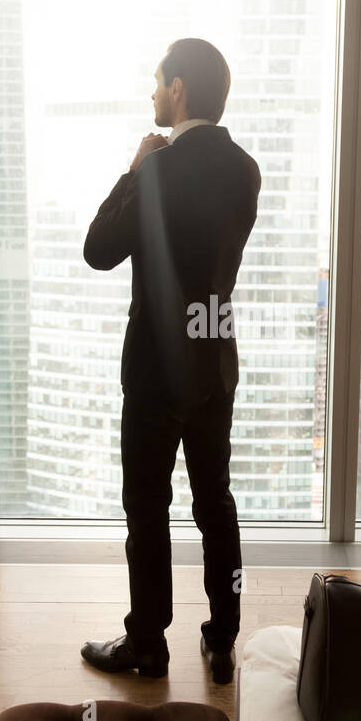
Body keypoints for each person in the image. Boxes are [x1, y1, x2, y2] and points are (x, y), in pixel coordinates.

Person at [80, 38, 261, 684]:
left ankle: (148, 647)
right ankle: (221, 643)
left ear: (179, 88)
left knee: (148, 506)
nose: (152, 94)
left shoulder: (157, 170)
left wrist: (133, 171)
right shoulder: (246, 169)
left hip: (157, 367)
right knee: (215, 502)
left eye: (157, 83)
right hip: (213, 359)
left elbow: (99, 250)